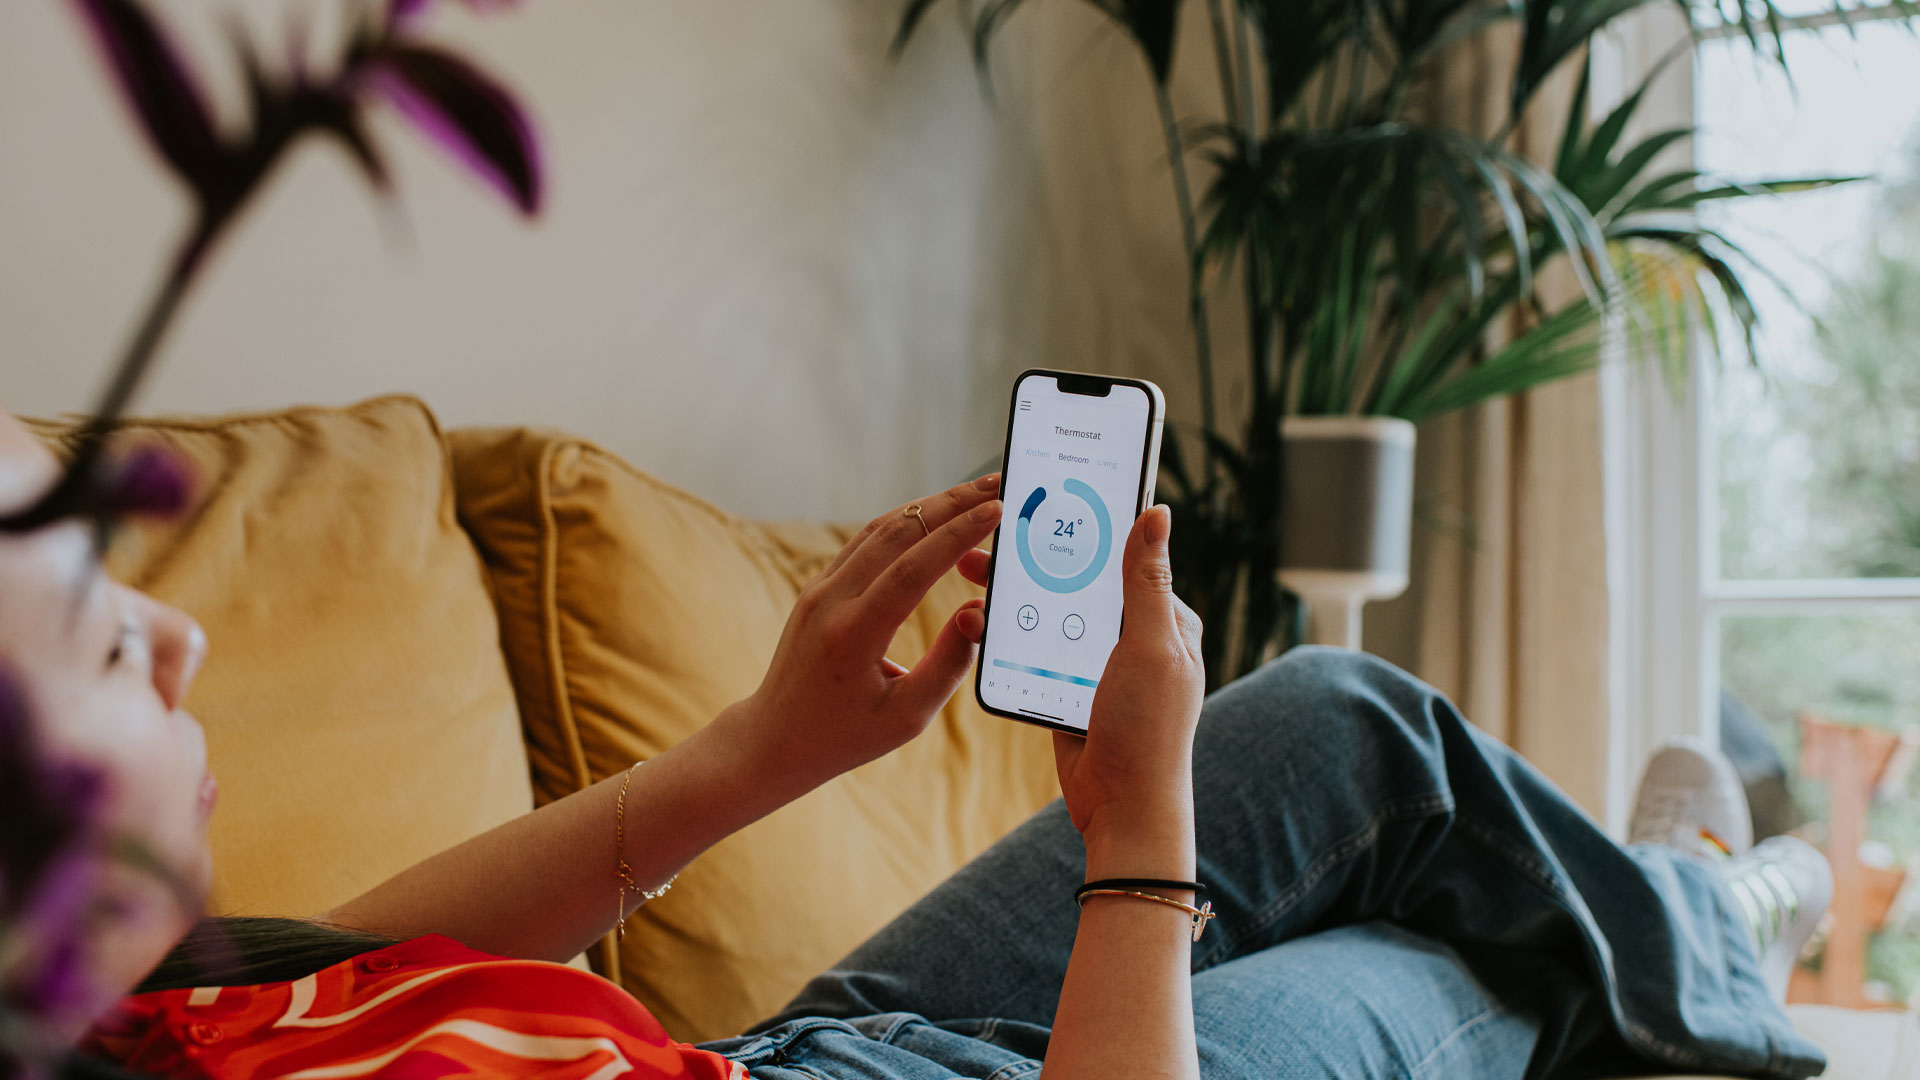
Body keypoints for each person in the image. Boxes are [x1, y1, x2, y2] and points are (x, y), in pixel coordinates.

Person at [0, 404, 1832, 1080]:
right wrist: (1140, 846)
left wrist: (765, 747)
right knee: (1444, 963)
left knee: (1346, 714)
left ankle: (1691, 899)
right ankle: (1729, 906)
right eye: (99, 635)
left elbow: (391, 957)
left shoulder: (155, 1023)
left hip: (780, 1051)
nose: (183, 632)